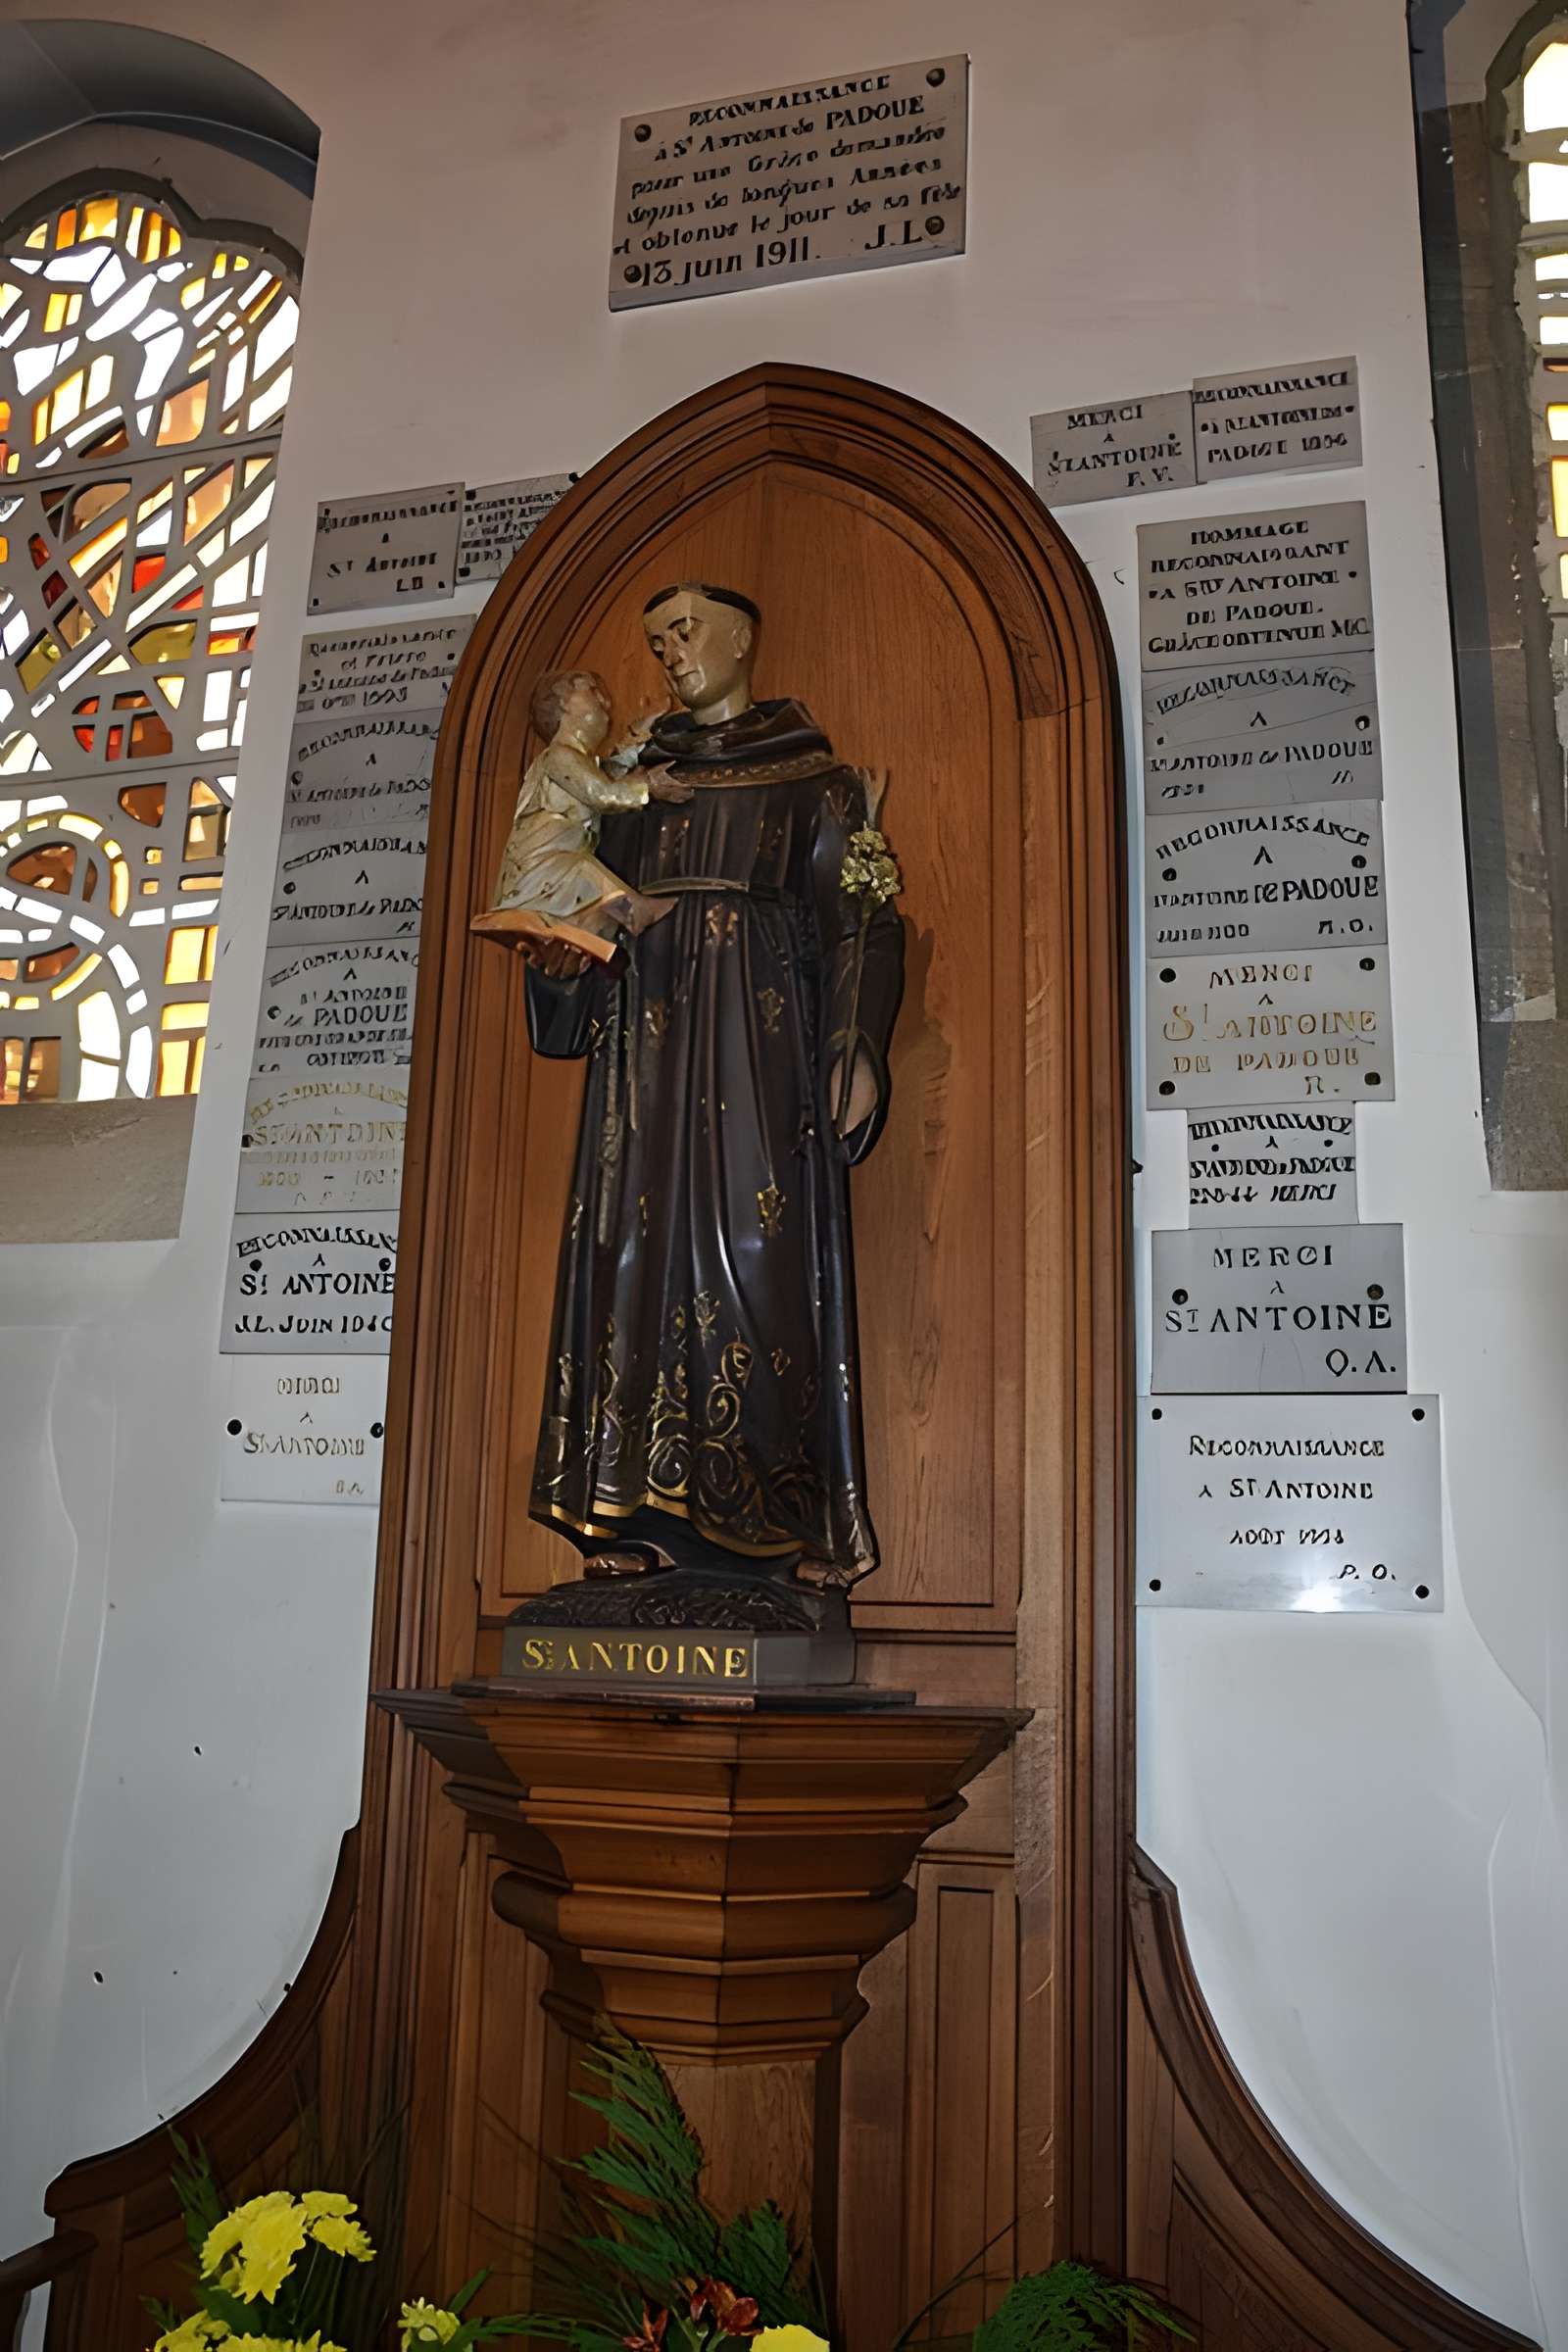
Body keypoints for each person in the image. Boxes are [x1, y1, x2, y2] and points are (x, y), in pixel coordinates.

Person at [517, 581, 904, 1627]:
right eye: (654, 640)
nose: (670, 652)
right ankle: (637, 1516)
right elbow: (576, 910)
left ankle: (781, 1520)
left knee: (759, 1263)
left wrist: (855, 1045)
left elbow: (865, 921)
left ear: (743, 638)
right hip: (647, 1059)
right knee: (633, 1262)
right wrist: (559, 964)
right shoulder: (634, 785)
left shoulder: (813, 783)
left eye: (687, 632)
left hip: (761, 1053)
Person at [471, 668, 675, 954]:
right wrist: (648, 787)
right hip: (541, 863)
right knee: (585, 874)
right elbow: (602, 793)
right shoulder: (559, 756)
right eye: (592, 691)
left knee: (592, 890)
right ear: (563, 703)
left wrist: (639, 734)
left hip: (556, 863)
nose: (606, 702)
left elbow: (608, 775)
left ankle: (614, 925)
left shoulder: (578, 761)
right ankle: (637, 913)